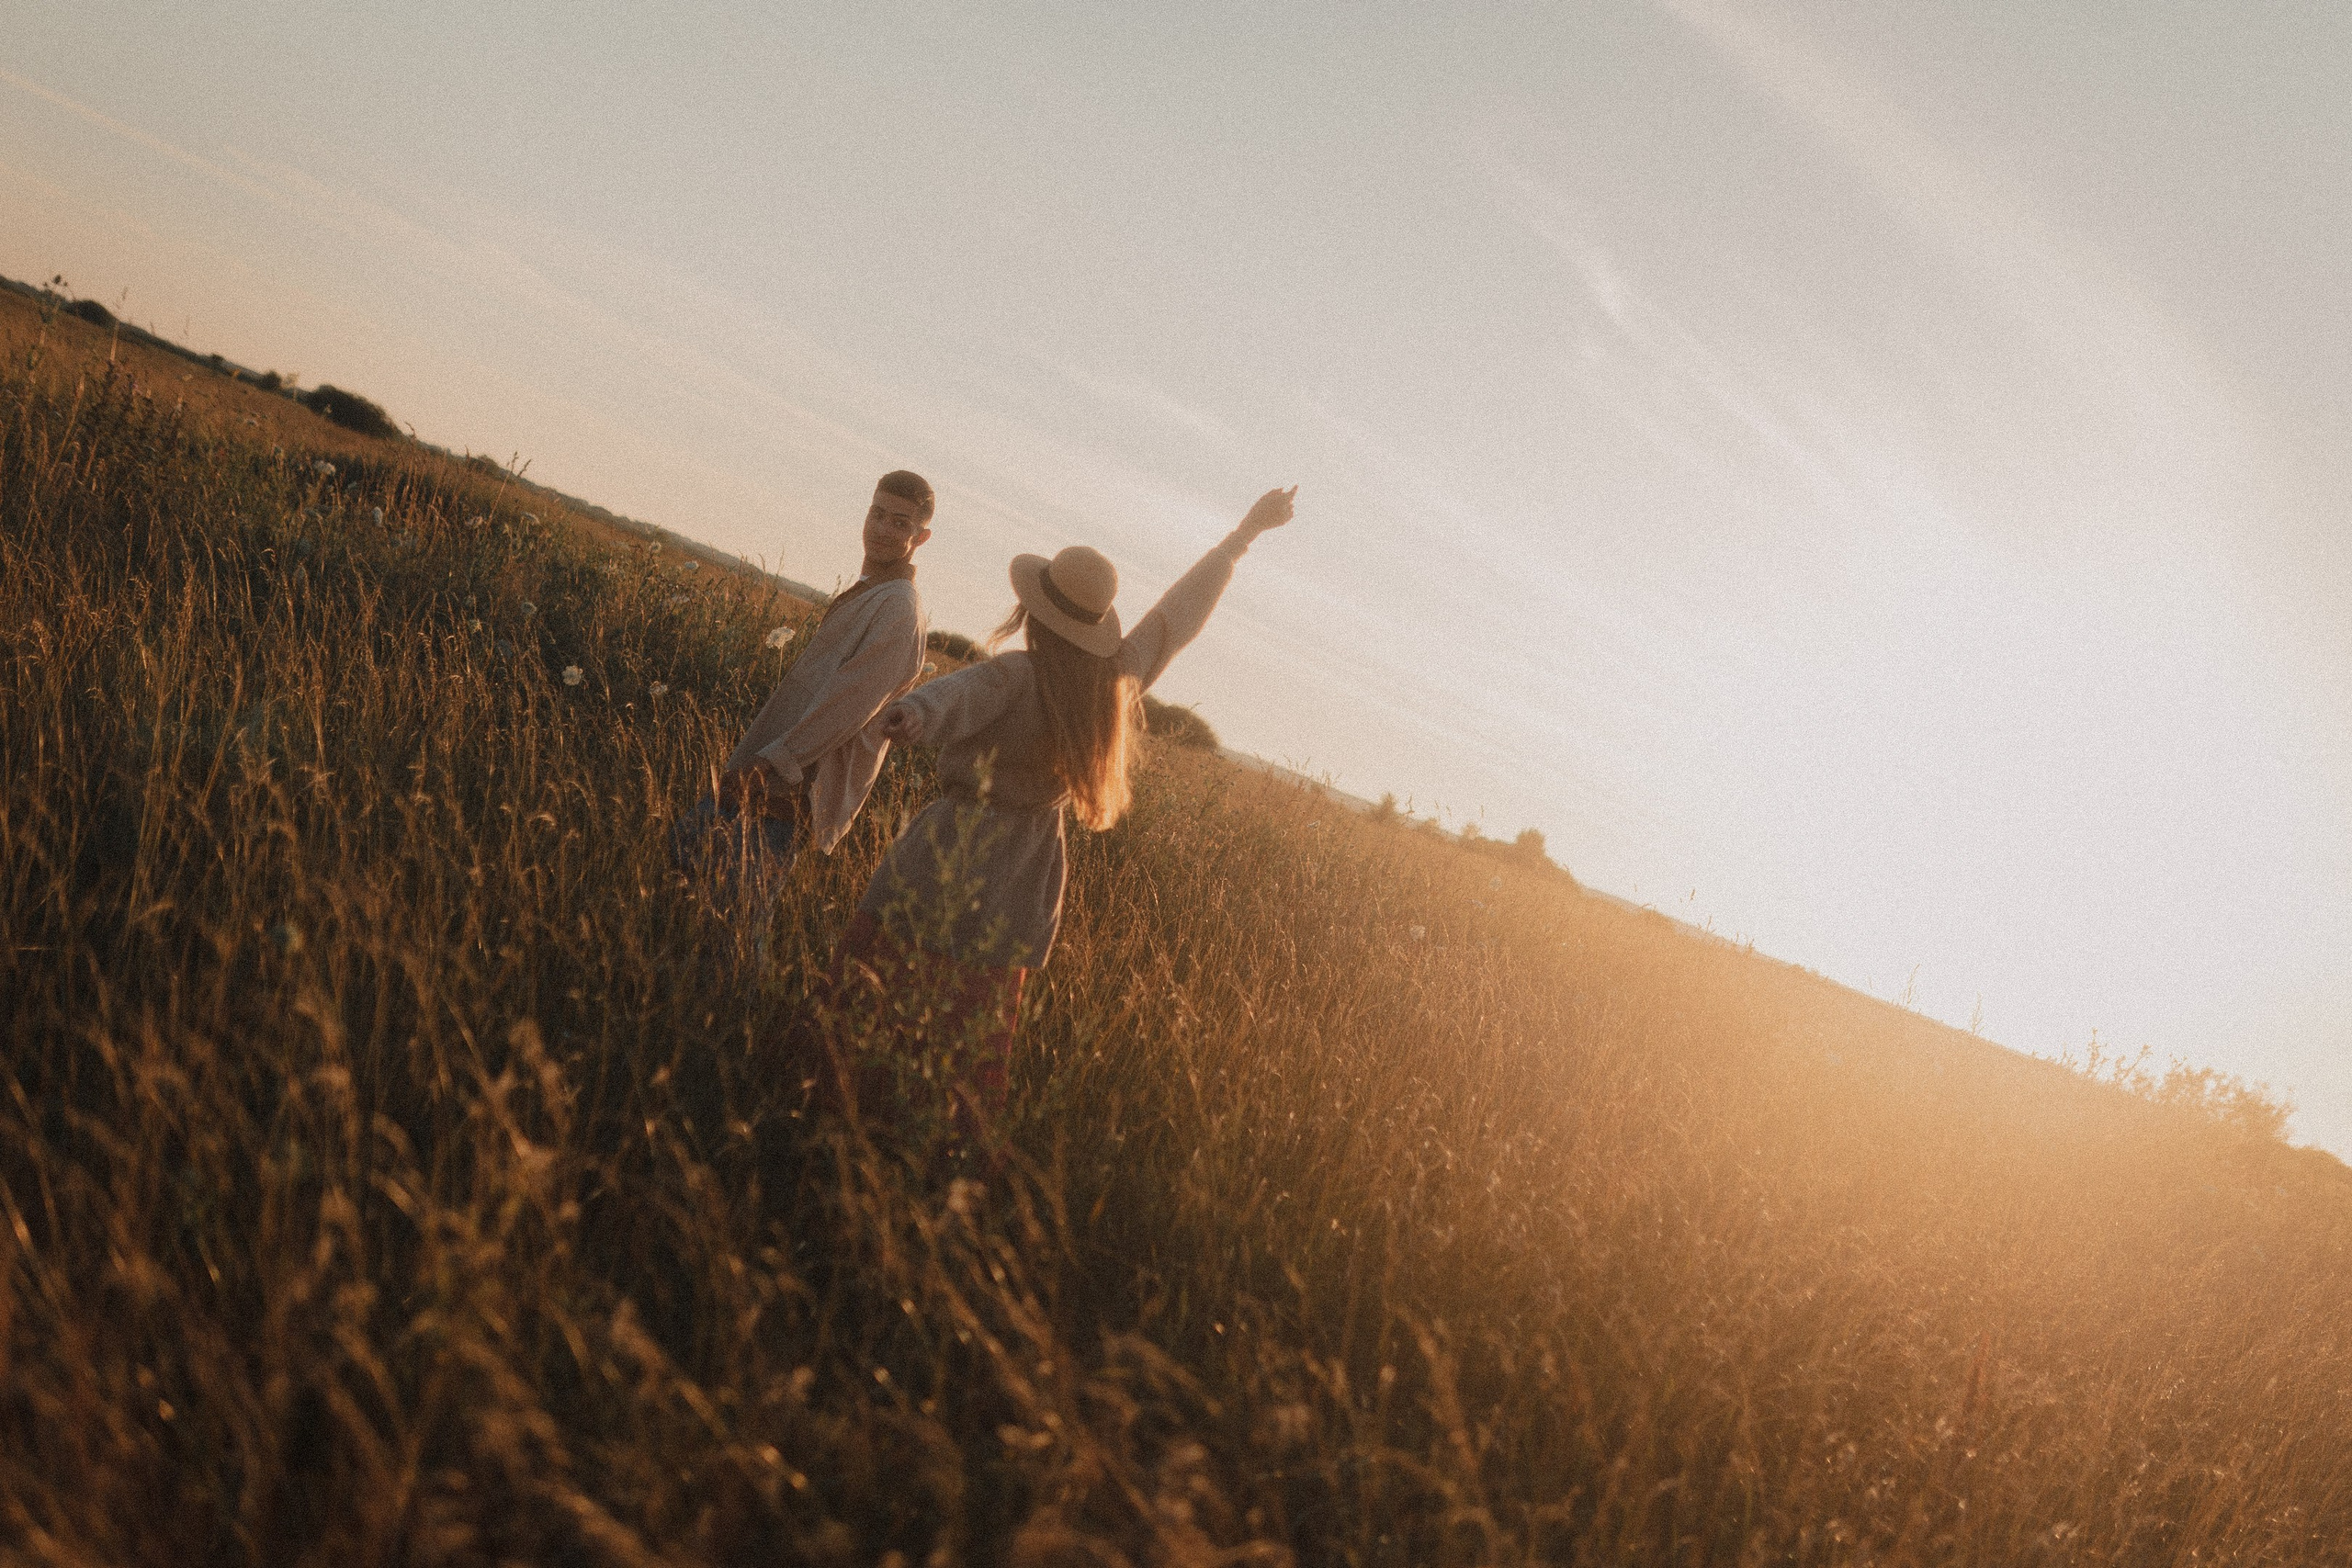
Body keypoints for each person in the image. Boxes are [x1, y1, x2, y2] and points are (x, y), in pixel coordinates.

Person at [831, 484, 1296, 1134]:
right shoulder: (1114, 684)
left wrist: (915, 712)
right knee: (966, 1039)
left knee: (868, 1004)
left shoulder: (1017, 673)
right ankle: (936, 1151)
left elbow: (957, 695)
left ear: (1033, 611)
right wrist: (1243, 536)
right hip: (1023, 878)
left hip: (946, 855)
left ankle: (837, 1124)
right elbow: (1176, 617)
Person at [673, 470, 935, 946]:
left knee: (729, 932)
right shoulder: (872, 591)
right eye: (877, 513)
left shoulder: (898, 607)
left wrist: (772, 763)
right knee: (685, 894)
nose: (881, 528)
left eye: (899, 523)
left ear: (921, 538)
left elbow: (847, 708)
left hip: (789, 787)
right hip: (768, 772)